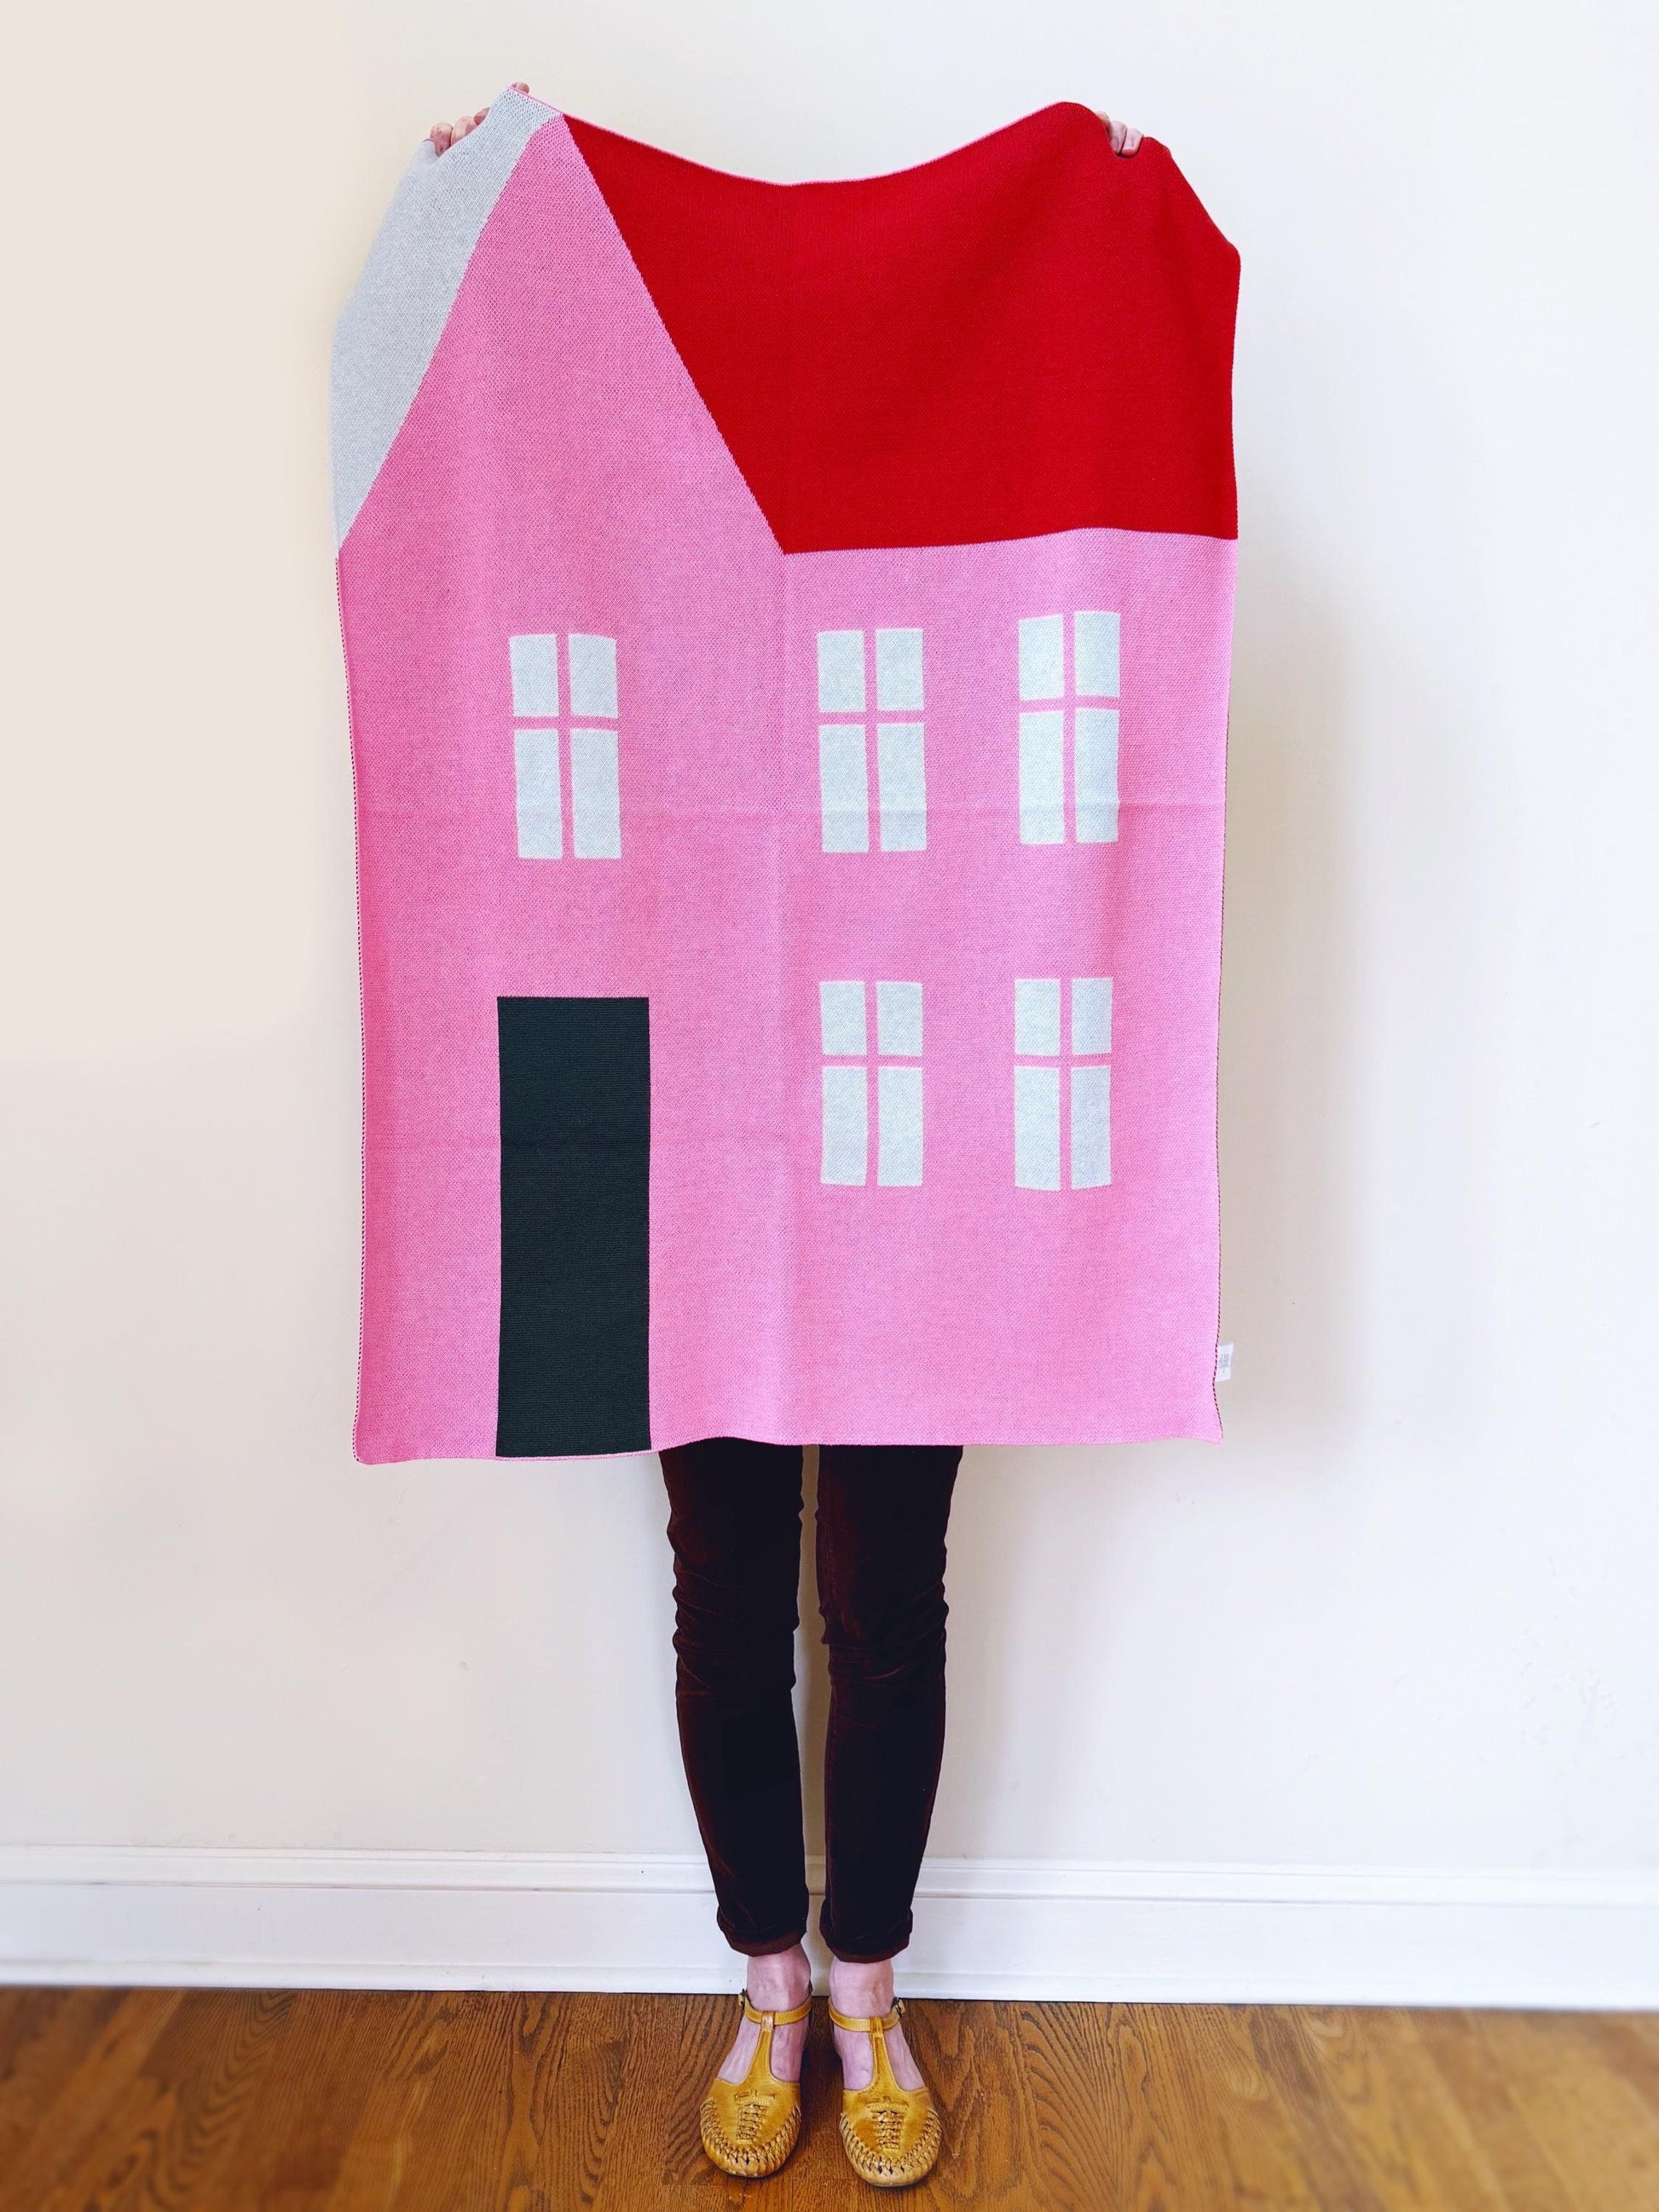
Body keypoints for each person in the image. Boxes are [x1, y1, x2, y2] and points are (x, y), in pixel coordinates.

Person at [427, 106, 962, 2187]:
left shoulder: (902, 580)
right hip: (698, 1142)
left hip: (902, 1147)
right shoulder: (638, 566)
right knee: (728, 1580)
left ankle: (867, 1978)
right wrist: (491, 230)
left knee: (886, 1592)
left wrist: (1088, 223)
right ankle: (767, 1970)